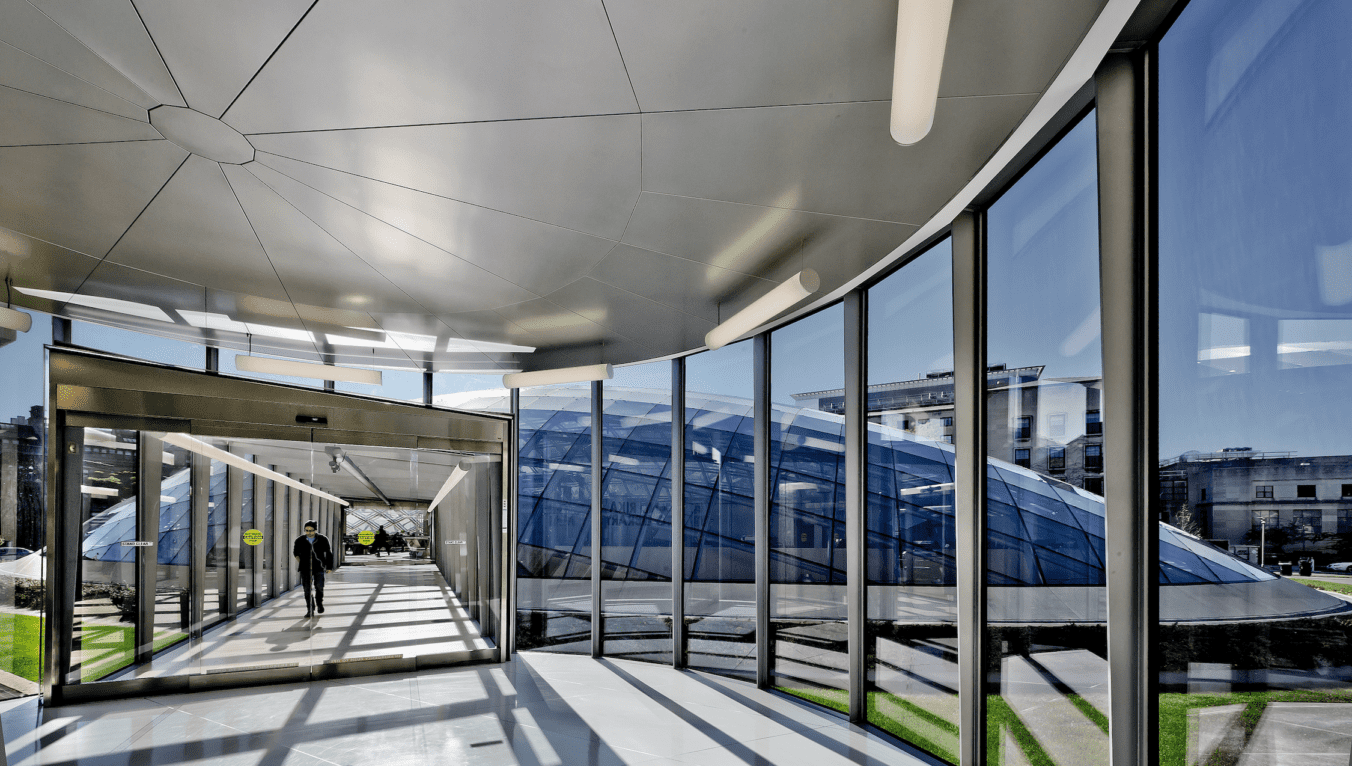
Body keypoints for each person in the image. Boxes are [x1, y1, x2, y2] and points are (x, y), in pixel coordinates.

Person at [292, 520, 334, 617]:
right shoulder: (300, 540)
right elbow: (296, 553)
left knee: (319, 587)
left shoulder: (323, 539)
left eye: (311, 530)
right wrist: (301, 562)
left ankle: (319, 604)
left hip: (319, 567)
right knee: (307, 589)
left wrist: (329, 567)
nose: (309, 532)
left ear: (315, 530)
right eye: (306, 530)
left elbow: (328, 553)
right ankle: (310, 609)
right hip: (305, 569)